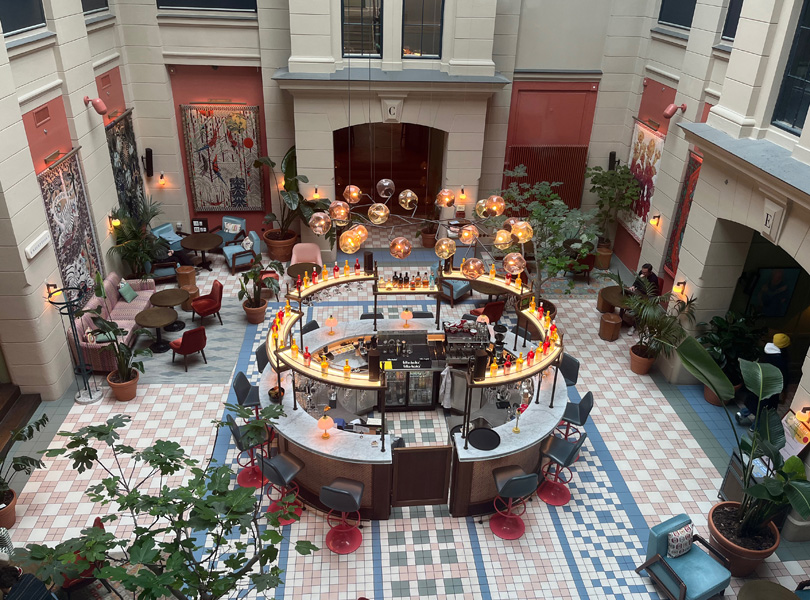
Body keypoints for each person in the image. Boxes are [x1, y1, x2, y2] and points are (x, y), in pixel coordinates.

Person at [735, 333, 791, 428]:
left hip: (758, 382)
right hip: (771, 387)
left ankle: (742, 414)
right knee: (764, 410)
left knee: (754, 403)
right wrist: (784, 390)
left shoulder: (766, 351)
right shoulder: (781, 360)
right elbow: (783, 376)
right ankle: (755, 427)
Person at [623, 264, 660, 335]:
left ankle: (634, 326)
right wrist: (633, 286)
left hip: (649, 295)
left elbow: (651, 290)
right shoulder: (641, 273)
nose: (643, 273)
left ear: (649, 272)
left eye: (645, 272)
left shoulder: (653, 279)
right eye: (642, 271)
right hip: (640, 292)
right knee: (627, 295)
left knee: (641, 308)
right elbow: (637, 282)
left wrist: (643, 280)